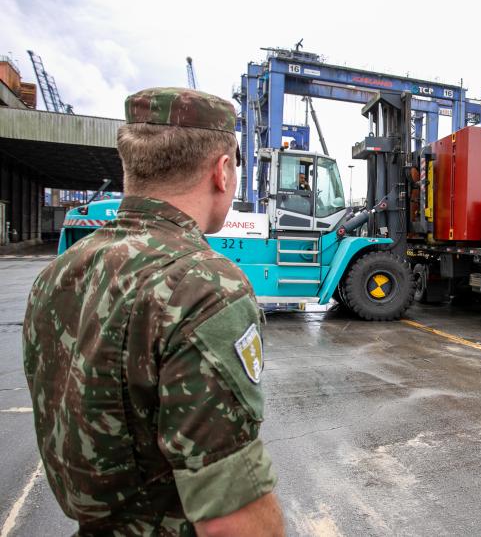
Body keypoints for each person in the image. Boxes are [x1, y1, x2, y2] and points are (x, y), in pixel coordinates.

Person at [22, 87, 284, 536]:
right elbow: (232, 520)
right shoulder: (204, 287)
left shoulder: (61, 272)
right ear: (222, 172)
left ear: (131, 168)